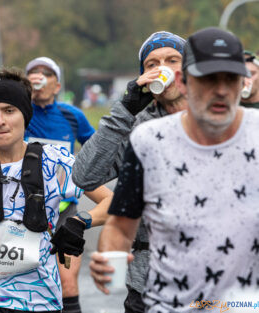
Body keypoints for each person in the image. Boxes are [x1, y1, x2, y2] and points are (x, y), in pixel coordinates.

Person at [91, 27, 258, 312]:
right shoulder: (148, 140)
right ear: (184, 80)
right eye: (206, 78)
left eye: (228, 78)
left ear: (243, 81)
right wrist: (109, 250)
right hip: (163, 301)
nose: (219, 90)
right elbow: (120, 225)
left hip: (239, 301)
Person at [0, 69, 113, 312]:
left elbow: (112, 201)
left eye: (9, 110)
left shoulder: (54, 161)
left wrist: (80, 222)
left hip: (40, 301)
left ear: (25, 115)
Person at [72, 31, 186, 313]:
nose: (163, 68)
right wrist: (124, 109)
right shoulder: (137, 126)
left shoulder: (219, 121)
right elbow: (84, 176)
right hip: (147, 286)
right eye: (152, 64)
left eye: (173, 60)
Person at [0, 57, 95, 313]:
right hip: (24, 200)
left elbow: (95, 149)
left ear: (58, 84)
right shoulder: (18, 111)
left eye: (46, 73)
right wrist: (17, 95)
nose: (39, 76)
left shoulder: (72, 115)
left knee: (69, 282)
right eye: (33, 73)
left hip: (64, 206)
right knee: (7, 275)